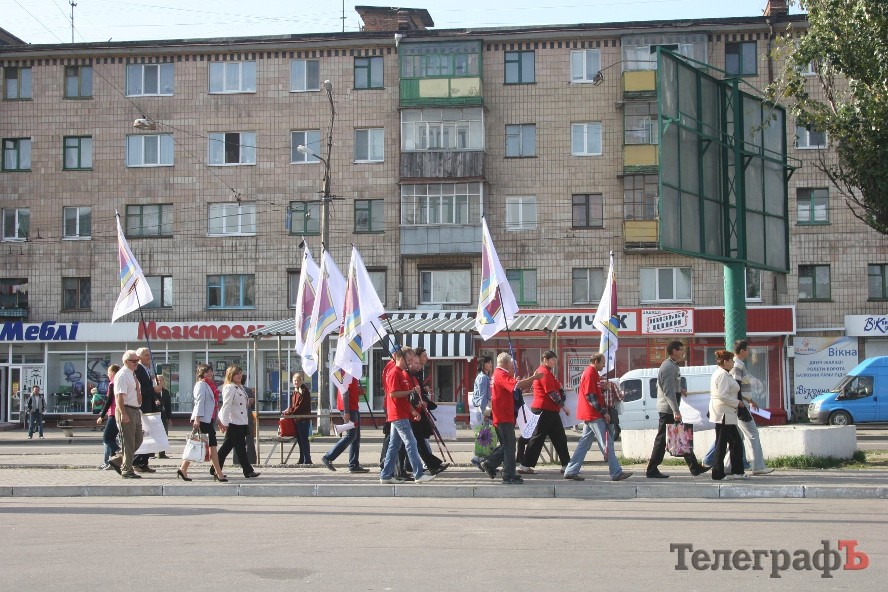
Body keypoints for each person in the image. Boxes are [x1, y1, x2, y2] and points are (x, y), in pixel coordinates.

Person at [646, 340, 711, 479]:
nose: (683, 352)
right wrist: (675, 411)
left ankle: (695, 467)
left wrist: (680, 389)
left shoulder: (673, 365)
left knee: (682, 435)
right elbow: (668, 391)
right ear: (674, 351)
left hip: (671, 408)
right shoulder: (668, 367)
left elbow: (671, 386)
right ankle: (651, 469)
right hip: (668, 409)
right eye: (681, 349)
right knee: (662, 440)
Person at [563, 354, 632, 481]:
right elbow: (590, 396)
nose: (604, 365)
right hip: (593, 414)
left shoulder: (591, 373)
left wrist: (604, 390)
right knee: (607, 442)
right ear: (596, 361)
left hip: (590, 413)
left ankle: (571, 470)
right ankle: (616, 472)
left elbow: (593, 393)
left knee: (584, 443)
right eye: (602, 363)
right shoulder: (590, 373)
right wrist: (603, 412)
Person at [480, 353, 541, 484]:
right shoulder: (501, 375)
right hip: (504, 415)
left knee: (508, 445)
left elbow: (514, 386)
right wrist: (534, 378)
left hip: (503, 414)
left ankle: (496, 466)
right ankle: (506, 474)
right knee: (509, 446)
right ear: (507, 363)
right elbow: (516, 386)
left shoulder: (497, 375)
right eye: (511, 364)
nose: (512, 366)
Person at [379, 347, 435, 484]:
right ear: (400, 358)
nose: (409, 362)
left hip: (402, 412)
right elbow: (393, 394)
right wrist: (411, 392)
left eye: (411, 360)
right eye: (408, 360)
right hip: (398, 414)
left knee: (394, 445)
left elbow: (403, 398)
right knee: (411, 442)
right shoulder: (394, 373)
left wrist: (412, 410)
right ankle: (418, 474)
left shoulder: (401, 373)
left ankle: (386, 475)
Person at [519, 350, 572, 474]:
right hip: (544, 409)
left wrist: (561, 395)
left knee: (559, 437)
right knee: (538, 437)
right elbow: (551, 392)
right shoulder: (543, 372)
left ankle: (566, 465)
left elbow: (557, 388)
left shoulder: (547, 372)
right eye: (552, 360)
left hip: (550, 410)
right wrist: (563, 406)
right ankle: (525, 465)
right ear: (545, 360)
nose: (554, 362)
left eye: (555, 360)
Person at [177, 363, 226, 482]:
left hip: (208, 420)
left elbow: (213, 406)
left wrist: (218, 421)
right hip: (202, 420)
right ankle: (218, 473)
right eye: (206, 372)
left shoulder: (210, 385)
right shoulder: (201, 384)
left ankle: (183, 469)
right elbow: (199, 402)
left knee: (196, 444)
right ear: (201, 373)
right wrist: (197, 419)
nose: (209, 373)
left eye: (210, 371)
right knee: (210, 446)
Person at [709, 350, 747, 480]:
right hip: (723, 413)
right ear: (725, 361)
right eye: (731, 361)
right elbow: (722, 395)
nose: (733, 363)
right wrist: (737, 403)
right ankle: (717, 473)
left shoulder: (724, 374)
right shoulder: (722, 375)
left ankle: (737, 471)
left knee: (735, 442)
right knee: (722, 443)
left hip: (727, 413)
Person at [216, 365, 260, 479]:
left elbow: (238, 403)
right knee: (240, 448)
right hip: (233, 422)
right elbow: (226, 406)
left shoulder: (238, 387)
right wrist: (224, 423)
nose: (240, 375)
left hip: (240, 421)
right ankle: (248, 471)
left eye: (240, 373)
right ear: (231, 375)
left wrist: (247, 402)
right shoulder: (230, 387)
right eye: (237, 374)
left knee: (226, 448)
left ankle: (214, 468)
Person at [322, 376, 370, 473]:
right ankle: (328, 457)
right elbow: (345, 392)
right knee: (351, 436)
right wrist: (346, 412)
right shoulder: (348, 373)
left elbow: (350, 390)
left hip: (353, 407)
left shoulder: (352, 373)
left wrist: (359, 391)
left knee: (355, 438)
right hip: (349, 408)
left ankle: (354, 465)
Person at [108, 350, 143, 479]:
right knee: (128, 442)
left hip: (135, 409)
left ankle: (118, 460)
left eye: (137, 360)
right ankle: (127, 469)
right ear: (126, 361)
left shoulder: (132, 374)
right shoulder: (122, 375)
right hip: (126, 409)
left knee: (138, 440)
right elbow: (119, 397)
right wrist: (123, 413)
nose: (136, 363)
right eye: (134, 361)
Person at [132, 347, 163, 473]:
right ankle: (136, 461)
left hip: (150, 406)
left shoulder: (147, 370)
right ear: (139, 357)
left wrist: (156, 393)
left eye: (149, 355)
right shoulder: (138, 369)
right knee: (144, 436)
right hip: (143, 407)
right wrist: (153, 390)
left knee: (151, 435)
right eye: (146, 355)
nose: (149, 357)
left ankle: (144, 463)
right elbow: (139, 390)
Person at [470, 355, 494, 470]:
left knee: (484, 435)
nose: (490, 364)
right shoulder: (484, 378)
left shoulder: (482, 377)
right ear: (483, 364)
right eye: (488, 362)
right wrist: (485, 412)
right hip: (483, 409)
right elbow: (482, 396)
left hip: (480, 409)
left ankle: (482, 459)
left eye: (491, 362)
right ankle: (478, 458)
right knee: (484, 435)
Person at [284, 371, 313, 465]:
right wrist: (289, 410)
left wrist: (289, 412)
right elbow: (293, 406)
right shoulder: (295, 391)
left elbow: (300, 406)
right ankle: (302, 459)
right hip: (297, 419)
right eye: (294, 381)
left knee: (304, 440)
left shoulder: (304, 391)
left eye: (298, 381)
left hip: (303, 419)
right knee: (300, 441)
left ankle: (307, 460)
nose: (296, 382)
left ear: (301, 381)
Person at [97, 365, 120, 469]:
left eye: (109, 372)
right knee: (112, 438)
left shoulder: (112, 383)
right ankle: (112, 462)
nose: (108, 375)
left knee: (106, 438)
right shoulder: (120, 382)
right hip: (119, 413)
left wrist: (102, 416)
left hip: (113, 414)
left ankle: (120, 452)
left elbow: (109, 400)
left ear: (113, 373)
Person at [156, 380, 172, 459]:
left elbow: (168, 406)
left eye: (161, 380)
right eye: (158, 380)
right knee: (155, 435)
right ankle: (151, 453)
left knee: (164, 434)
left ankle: (162, 453)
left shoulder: (166, 392)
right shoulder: (154, 391)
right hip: (155, 415)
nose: (159, 382)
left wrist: (169, 418)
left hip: (163, 416)